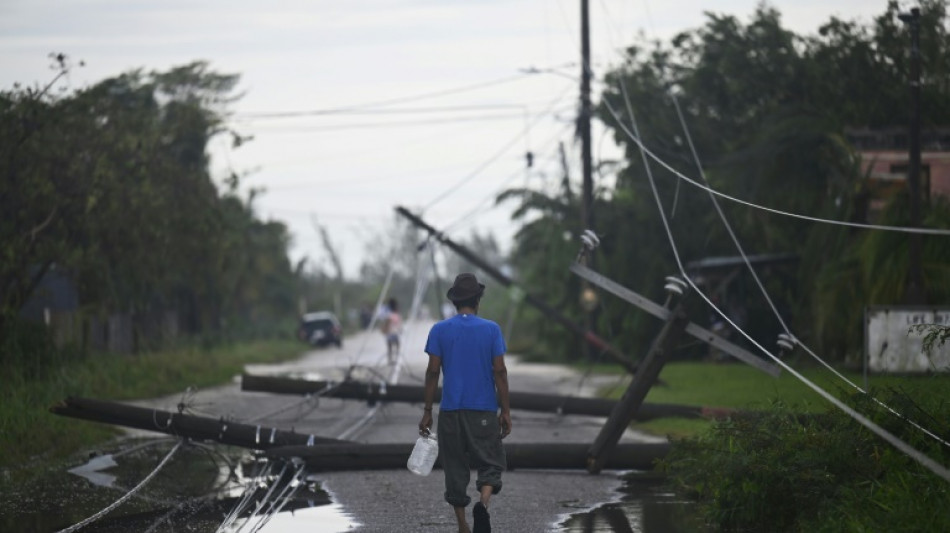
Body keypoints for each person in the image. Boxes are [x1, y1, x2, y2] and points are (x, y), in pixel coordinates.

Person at [418, 273, 511, 533]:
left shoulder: (439, 330)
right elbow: (500, 372)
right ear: (477, 300)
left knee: (455, 468)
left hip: (450, 412)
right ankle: (483, 503)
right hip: (483, 410)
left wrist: (427, 412)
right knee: (491, 461)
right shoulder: (491, 329)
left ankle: (463, 526)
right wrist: (505, 410)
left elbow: (433, 372)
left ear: (455, 302)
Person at [381, 297, 402, 364]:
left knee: (389, 347)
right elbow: (399, 325)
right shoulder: (396, 315)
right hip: (394, 333)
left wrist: (384, 331)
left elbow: (386, 324)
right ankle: (396, 359)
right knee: (397, 345)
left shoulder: (388, 315)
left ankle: (390, 360)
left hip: (390, 333)